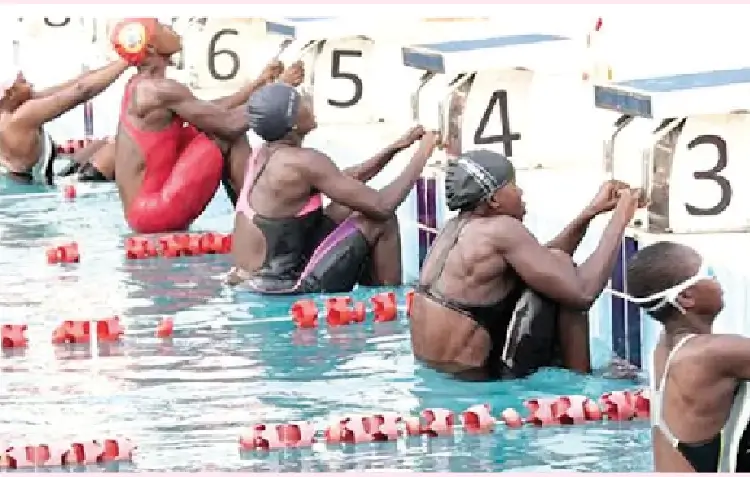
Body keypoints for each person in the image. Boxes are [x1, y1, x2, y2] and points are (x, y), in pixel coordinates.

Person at [409, 149, 645, 381]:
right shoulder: (501, 229)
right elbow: (583, 293)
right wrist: (621, 217)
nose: (520, 191)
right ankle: (582, 385)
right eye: (513, 185)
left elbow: (539, 262)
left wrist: (590, 213)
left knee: (557, 268)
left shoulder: (455, 229)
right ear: (493, 200)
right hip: (475, 381)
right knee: (566, 276)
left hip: (442, 374)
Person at [225, 81, 439, 294]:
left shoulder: (265, 153)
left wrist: (394, 148)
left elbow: (343, 180)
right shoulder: (304, 162)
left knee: (346, 206)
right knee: (380, 220)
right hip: (282, 289)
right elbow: (382, 206)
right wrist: (424, 153)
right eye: (301, 103)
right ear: (293, 125)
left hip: (253, 280)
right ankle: (386, 306)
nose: (309, 104)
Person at [110, 18, 301, 234]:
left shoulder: (143, 85)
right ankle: (259, 219)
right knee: (227, 135)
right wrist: (279, 91)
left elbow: (207, 110)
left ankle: (252, 216)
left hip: (142, 212)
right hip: (154, 213)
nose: (171, 28)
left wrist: (258, 84)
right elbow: (227, 124)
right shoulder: (159, 90)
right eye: (163, 27)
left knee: (213, 126)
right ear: (152, 48)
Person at [621, 242, 750, 472]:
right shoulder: (710, 355)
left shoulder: (665, 345)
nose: (718, 280)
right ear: (686, 297)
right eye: (709, 273)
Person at [0, 62, 128, 185]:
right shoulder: (22, 117)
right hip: (39, 193)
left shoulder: (9, 113)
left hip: (40, 181)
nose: (31, 84)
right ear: (10, 94)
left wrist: (126, 56)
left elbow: (78, 83)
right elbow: (83, 91)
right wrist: (126, 62)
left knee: (101, 143)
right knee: (115, 148)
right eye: (24, 82)